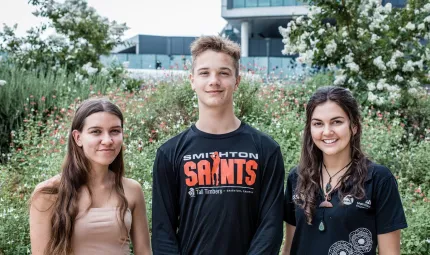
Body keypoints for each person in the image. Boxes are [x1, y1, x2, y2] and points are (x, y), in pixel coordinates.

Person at [151, 35, 285, 255]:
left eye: (224, 73)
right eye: (204, 73)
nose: (214, 81)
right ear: (192, 80)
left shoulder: (266, 149)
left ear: (237, 81)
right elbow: (162, 231)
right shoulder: (169, 153)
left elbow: (270, 227)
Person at [282, 86, 407, 255]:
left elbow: (390, 253)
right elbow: (290, 248)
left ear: (354, 126)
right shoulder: (296, 178)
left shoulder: (379, 180)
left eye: (337, 122)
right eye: (318, 124)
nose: (327, 132)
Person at [29, 98, 151, 255]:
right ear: (77, 138)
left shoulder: (132, 189)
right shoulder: (48, 193)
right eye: (96, 132)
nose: (107, 140)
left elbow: (144, 251)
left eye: (115, 131)